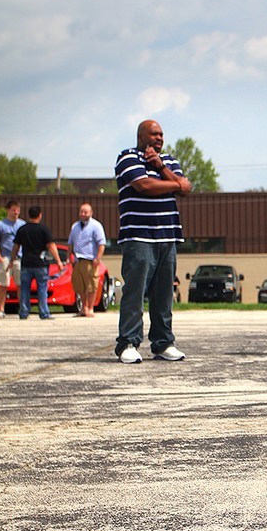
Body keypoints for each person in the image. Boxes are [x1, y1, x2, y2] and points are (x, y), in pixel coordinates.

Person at [114, 119, 192, 364]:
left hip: (168, 236)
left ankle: (163, 343)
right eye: (154, 134)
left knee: (163, 295)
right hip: (139, 236)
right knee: (135, 293)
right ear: (141, 136)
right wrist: (175, 184)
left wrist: (160, 167)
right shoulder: (127, 158)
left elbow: (185, 188)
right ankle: (128, 342)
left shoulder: (168, 161)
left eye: (161, 134)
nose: (159, 138)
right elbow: (143, 185)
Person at [10, 206, 64, 320]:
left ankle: (24, 312)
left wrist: (12, 259)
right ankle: (44, 312)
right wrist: (58, 261)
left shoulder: (22, 229)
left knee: (24, 288)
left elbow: (16, 246)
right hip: (40, 264)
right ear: (39, 215)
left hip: (26, 263)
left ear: (29, 215)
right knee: (42, 288)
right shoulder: (44, 229)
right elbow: (51, 245)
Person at [68, 202, 106, 317]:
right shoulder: (75, 226)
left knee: (91, 286)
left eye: (86, 212)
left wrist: (98, 258)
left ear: (91, 213)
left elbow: (101, 244)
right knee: (79, 286)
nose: (83, 214)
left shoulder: (96, 226)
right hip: (77, 261)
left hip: (90, 260)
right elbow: (70, 243)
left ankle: (90, 308)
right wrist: (69, 256)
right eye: (81, 211)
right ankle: (83, 308)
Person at [0, 200, 24, 318]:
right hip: (5, 258)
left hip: (20, 258)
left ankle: (22, 309)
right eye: (14, 209)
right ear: (8, 210)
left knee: (21, 285)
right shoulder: (0, 225)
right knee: (3, 285)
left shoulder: (22, 224)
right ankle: (1, 309)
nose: (16, 212)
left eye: (18, 210)